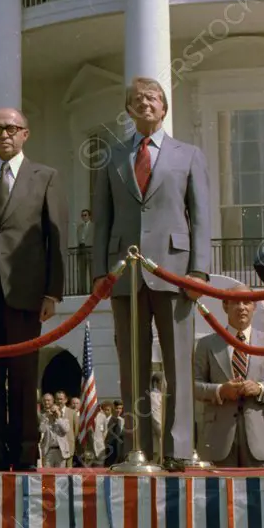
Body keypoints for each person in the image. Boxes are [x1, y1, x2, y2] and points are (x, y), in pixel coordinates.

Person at [92, 76, 211, 472]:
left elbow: (201, 218)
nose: (146, 103)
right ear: (128, 109)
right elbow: (103, 220)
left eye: (153, 98)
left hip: (176, 272)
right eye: (138, 99)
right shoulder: (112, 157)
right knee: (131, 366)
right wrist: (99, 272)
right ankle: (136, 449)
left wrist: (199, 270)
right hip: (125, 272)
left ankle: (179, 450)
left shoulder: (188, 154)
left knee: (178, 363)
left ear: (164, 108)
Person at [0, 107, 67, 471]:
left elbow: (56, 237)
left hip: (27, 291)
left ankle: (24, 454)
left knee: (23, 375)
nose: (5, 134)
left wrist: (52, 293)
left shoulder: (45, 177)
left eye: (12, 128)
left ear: (25, 133)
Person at [194, 291, 264, 467]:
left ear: (254, 307)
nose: (242, 307)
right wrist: (220, 390)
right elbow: (193, 386)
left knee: (260, 492)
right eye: (236, 302)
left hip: (260, 438)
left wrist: (260, 387)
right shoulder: (206, 344)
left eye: (247, 303)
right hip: (218, 438)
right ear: (225, 306)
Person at [39, 393, 70, 467]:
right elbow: (41, 430)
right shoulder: (43, 416)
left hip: (61, 451)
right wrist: (46, 418)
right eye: (45, 400)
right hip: (48, 450)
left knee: (61, 476)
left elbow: (65, 430)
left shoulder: (63, 417)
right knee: (47, 475)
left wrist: (58, 418)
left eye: (48, 400)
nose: (46, 402)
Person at [76, 209, 93, 294]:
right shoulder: (79, 227)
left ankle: (92, 290)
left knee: (91, 271)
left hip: (90, 250)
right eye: (82, 215)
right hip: (82, 249)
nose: (84, 217)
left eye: (85, 215)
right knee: (82, 272)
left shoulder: (93, 226)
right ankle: (82, 290)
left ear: (89, 216)